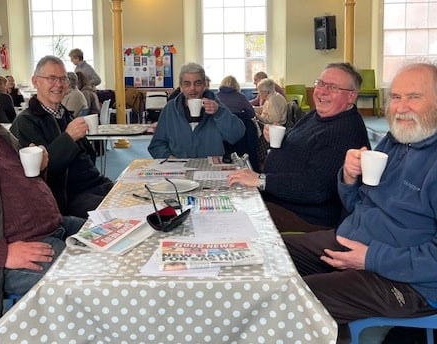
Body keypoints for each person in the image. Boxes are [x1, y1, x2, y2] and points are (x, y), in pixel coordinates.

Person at [282, 61, 437, 343]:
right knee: (269, 254)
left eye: (414, 97)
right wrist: (349, 178)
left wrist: (370, 258)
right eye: (396, 97)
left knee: (289, 300)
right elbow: (358, 205)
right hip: (350, 242)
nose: (401, 107)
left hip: (409, 281)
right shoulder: (396, 141)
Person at [0, 57, 86, 337]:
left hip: (53, 226)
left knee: (112, 236)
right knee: (88, 282)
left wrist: (36, 167)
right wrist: (3, 254)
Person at [228, 62, 370, 232]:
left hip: (306, 218)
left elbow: (316, 189)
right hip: (279, 200)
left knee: (232, 219)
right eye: (321, 83)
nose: (322, 91)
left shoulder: (345, 129)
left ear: (351, 96)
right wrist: (278, 138)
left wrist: (261, 180)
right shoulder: (316, 115)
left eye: (332, 87)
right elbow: (300, 144)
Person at [10, 55, 114, 218]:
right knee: (118, 214)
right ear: (35, 81)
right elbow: (38, 176)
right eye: (51, 78)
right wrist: (69, 137)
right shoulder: (25, 123)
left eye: (62, 79)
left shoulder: (65, 114)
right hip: (68, 197)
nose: (58, 84)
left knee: (138, 197)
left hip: (95, 184)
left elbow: (88, 158)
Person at [148, 62, 245, 159]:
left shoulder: (216, 106)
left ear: (204, 85)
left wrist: (220, 112)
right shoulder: (170, 109)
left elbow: (236, 135)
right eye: (187, 84)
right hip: (179, 168)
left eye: (197, 83)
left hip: (210, 169)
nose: (192, 88)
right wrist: (168, 157)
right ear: (181, 87)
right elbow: (156, 145)